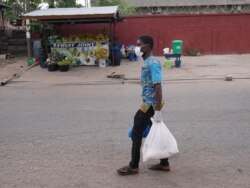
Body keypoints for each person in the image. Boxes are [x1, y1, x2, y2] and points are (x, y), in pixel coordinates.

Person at [117, 35, 170, 176]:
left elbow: (158, 87)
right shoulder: (147, 62)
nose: (136, 47)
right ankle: (164, 163)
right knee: (154, 132)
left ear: (146, 46)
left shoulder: (152, 63)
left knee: (136, 133)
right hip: (149, 104)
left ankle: (133, 166)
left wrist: (157, 111)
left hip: (150, 105)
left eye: (138, 44)